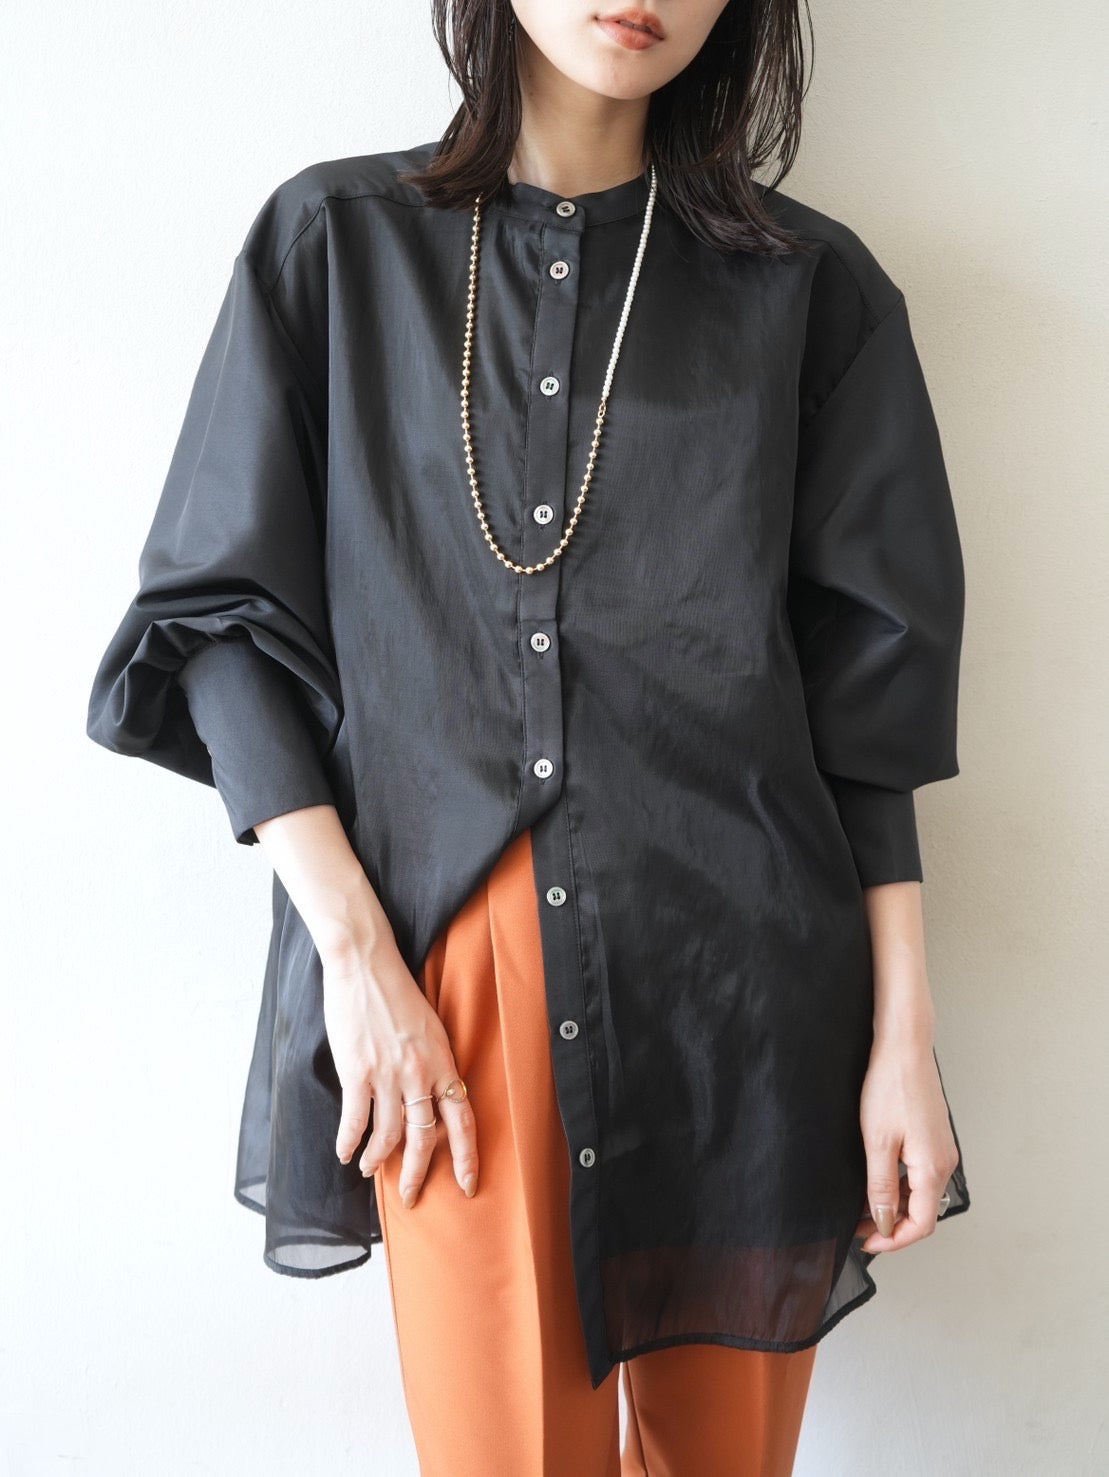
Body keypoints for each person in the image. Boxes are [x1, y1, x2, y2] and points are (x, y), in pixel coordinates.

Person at [86, 1, 972, 1472]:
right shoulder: (335, 246)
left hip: (747, 1000)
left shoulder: (810, 291)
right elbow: (218, 625)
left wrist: (905, 1042)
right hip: (453, 990)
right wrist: (357, 959)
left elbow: (865, 719)